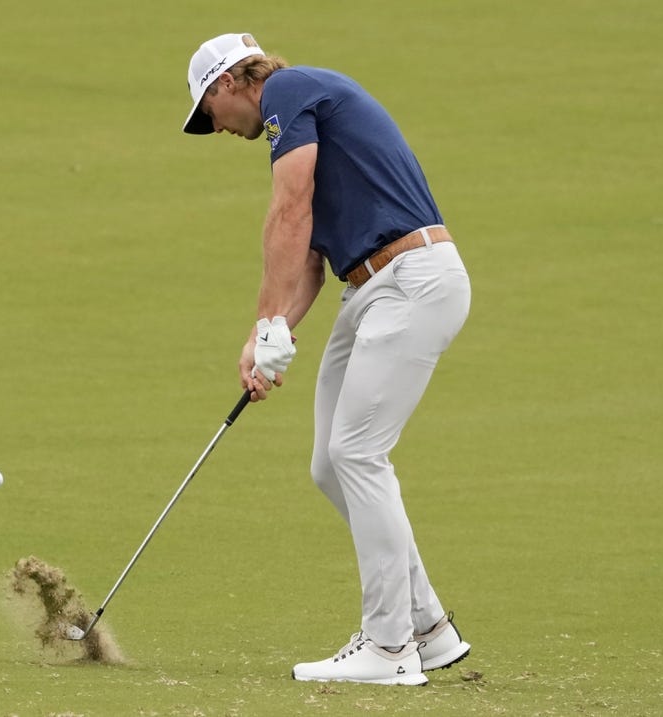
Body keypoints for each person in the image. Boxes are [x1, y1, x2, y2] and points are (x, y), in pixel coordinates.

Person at [182, 33, 473, 686]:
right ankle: (428, 627)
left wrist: (265, 326)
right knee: (330, 464)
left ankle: (389, 646)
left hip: (412, 280)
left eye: (209, 112)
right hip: (369, 287)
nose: (216, 128)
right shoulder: (301, 122)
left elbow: (288, 213)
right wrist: (272, 338)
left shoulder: (288, 89)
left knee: (359, 453)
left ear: (229, 82)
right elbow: (309, 261)